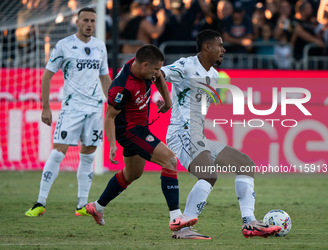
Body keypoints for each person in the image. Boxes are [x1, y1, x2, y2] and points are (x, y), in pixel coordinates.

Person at [160, 29, 282, 239]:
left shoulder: (214, 75)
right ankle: (183, 228)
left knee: (245, 164)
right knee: (208, 174)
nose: (223, 50)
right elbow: (158, 73)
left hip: (198, 135)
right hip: (181, 133)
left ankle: (249, 223)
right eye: (220, 45)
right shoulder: (186, 65)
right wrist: (166, 100)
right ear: (207, 47)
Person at [85, 45, 198, 234]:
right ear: (145, 65)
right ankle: (175, 217)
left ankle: (97, 207)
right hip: (130, 132)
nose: (158, 72)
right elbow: (109, 117)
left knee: (132, 174)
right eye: (155, 69)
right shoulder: (121, 87)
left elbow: (160, 77)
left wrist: (168, 102)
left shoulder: (145, 70)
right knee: (169, 159)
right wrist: (112, 145)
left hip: (140, 128)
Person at [25, 7, 112, 217]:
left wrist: (113, 103)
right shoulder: (64, 45)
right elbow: (46, 76)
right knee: (57, 153)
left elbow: (104, 77)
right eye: (86, 20)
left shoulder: (100, 46)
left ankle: (82, 205)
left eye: (93, 20)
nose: (90, 24)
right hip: (71, 109)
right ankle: (40, 202)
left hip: (94, 110)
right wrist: (45, 107)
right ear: (77, 22)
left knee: (88, 156)